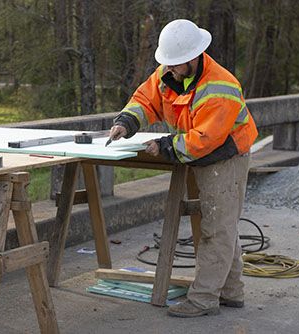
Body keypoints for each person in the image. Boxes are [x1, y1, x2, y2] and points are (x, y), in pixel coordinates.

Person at [109, 19, 258, 317]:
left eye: (175, 65)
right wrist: (126, 122)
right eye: (168, 65)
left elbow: (204, 140)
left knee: (216, 228)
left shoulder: (221, 87)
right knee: (223, 225)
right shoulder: (169, 71)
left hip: (226, 157)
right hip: (204, 154)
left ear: (193, 58)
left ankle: (204, 300)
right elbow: (145, 100)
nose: (170, 70)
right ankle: (231, 292)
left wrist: (165, 146)